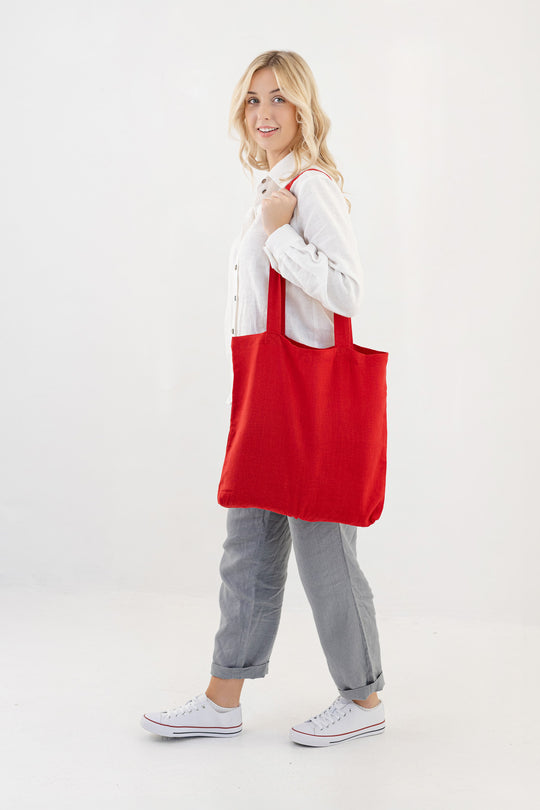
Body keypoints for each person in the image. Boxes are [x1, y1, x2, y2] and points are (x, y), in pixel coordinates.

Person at [141, 50, 385, 748]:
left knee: (321, 544)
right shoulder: (273, 187)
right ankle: (224, 695)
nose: (264, 113)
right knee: (246, 542)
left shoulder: (311, 189)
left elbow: (347, 292)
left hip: (305, 395)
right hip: (264, 392)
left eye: (278, 98)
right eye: (252, 101)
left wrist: (279, 233)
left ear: (303, 107)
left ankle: (364, 698)